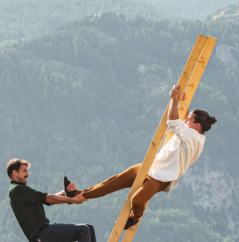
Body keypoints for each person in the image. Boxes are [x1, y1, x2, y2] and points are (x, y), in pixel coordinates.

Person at [67, 84, 217, 229]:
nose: (186, 120)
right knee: (113, 182)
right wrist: (181, 101)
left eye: (189, 119)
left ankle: (134, 217)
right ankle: (78, 195)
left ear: (197, 126)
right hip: (152, 166)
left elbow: (173, 122)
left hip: (162, 178)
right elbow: (182, 120)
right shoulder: (193, 133)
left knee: (137, 200)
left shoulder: (194, 138)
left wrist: (173, 98)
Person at [7, 159, 116, 242]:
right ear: (15, 173)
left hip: (45, 231)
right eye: (24, 171)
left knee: (89, 228)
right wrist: (74, 199)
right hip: (42, 235)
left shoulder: (21, 191)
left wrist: (66, 192)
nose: (27, 174)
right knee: (83, 230)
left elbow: (49, 200)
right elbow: (48, 198)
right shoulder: (16, 190)